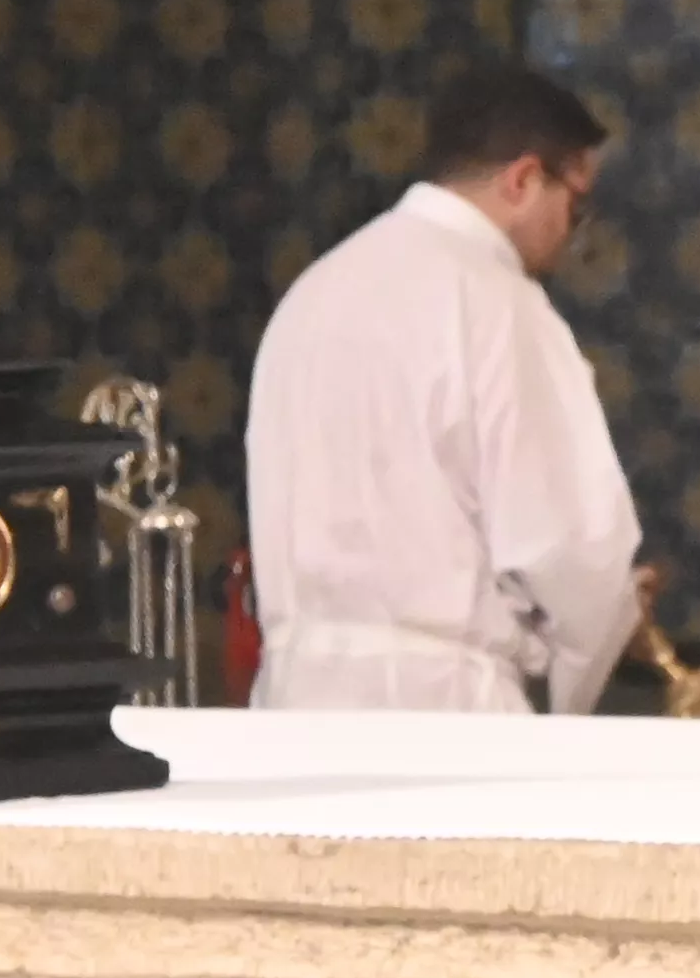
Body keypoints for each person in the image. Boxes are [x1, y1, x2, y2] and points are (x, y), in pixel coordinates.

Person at [245, 61, 645, 714]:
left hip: (294, 704)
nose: (573, 234)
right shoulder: (496, 303)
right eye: (577, 205)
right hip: (443, 712)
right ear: (522, 179)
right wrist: (610, 619)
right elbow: (570, 549)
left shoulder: (315, 291)